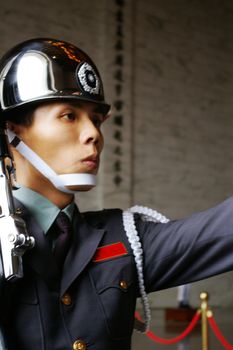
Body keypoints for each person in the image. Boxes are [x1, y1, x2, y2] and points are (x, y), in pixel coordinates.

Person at [0, 38, 233, 350]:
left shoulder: (124, 238)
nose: (94, 134)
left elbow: (220, 231)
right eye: (69, 115)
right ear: (11, 130)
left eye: (95, 120)